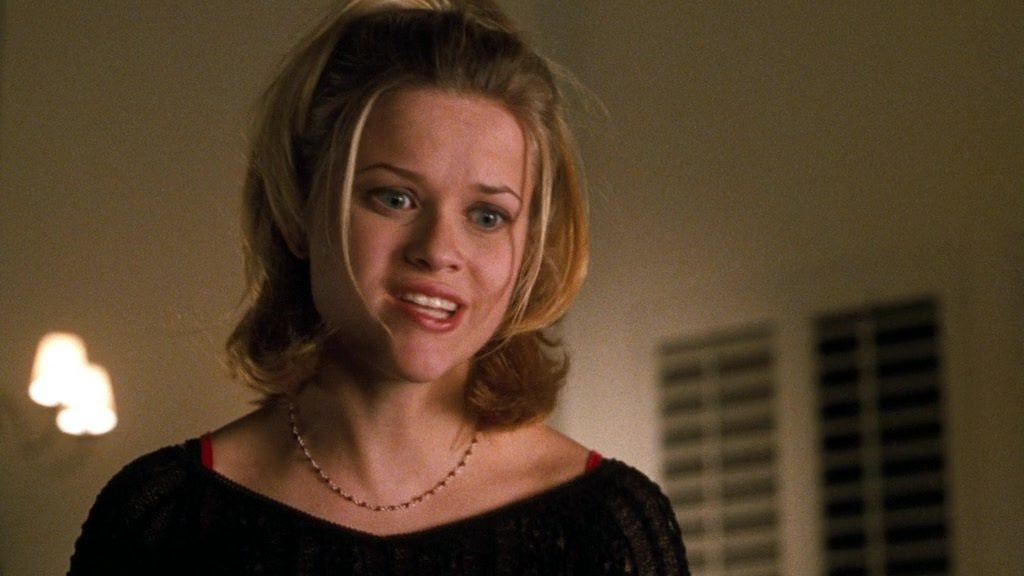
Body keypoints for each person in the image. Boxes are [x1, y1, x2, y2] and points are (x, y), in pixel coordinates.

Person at [68, 0, 690, 574]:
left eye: (487, 216)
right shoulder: (161, 521)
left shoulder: (610, 527)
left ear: (528, 247)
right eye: (395, 198)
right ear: (298, 209)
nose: (439, 251)